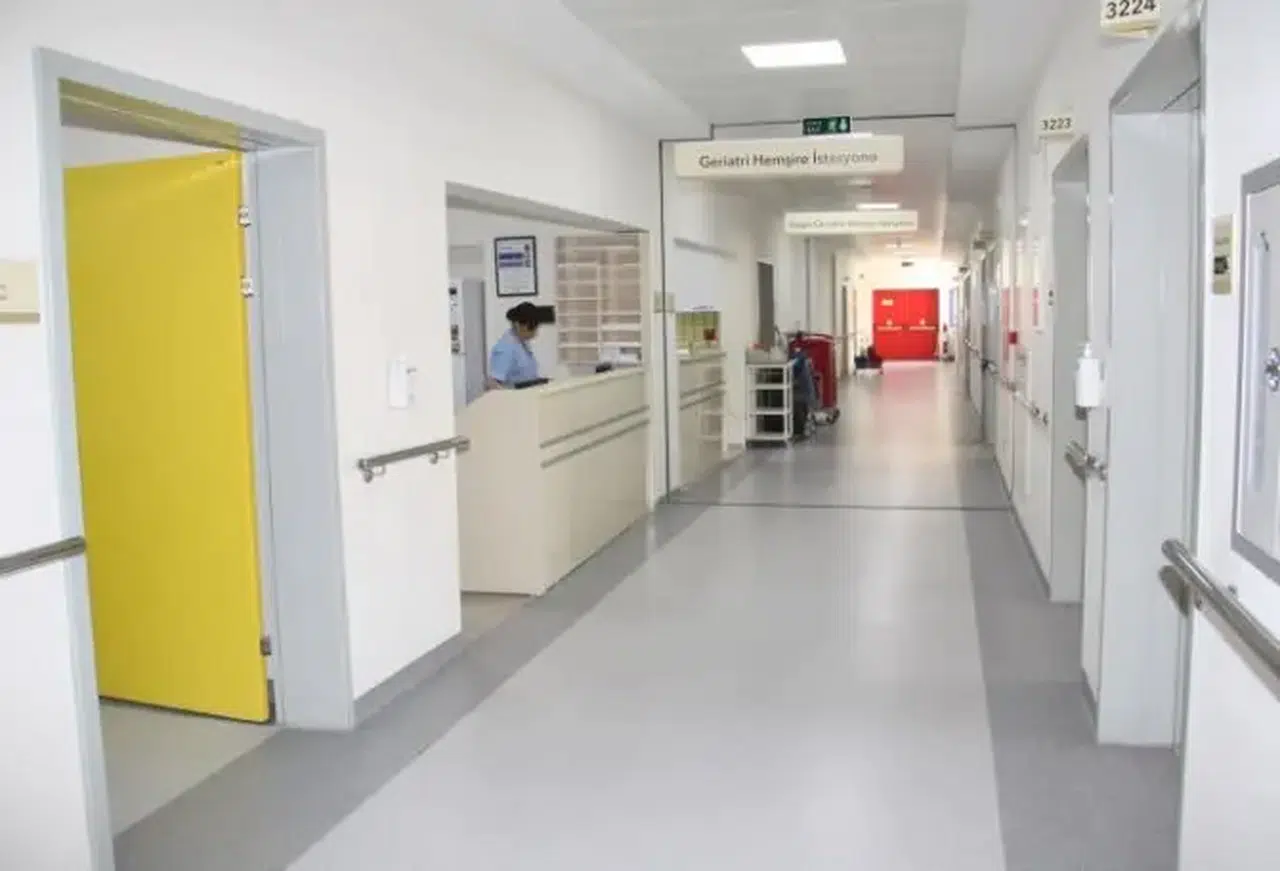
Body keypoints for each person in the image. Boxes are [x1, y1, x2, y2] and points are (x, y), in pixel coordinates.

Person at [488, 301, 542, 388]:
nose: (535, 332)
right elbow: (493, 383)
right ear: (518, 325)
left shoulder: (522, 344)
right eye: (531, 327)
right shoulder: (506, 348)